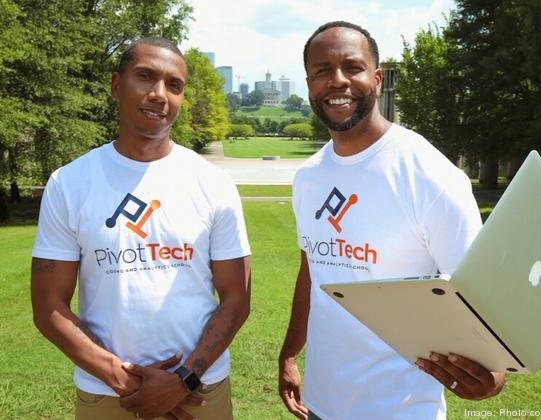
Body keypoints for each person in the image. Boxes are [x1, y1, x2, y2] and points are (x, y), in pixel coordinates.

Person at [278, 21, 505, 419]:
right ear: (310, 84)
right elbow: (311, 270)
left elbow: (480, 292)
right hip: (321, 405)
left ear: (377, 79)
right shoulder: (309, 178)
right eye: (322, 71)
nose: (337, 80)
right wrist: (290, 353)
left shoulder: (430, 176)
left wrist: (495, 375)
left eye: (352, 67)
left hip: (402, 409)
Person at [31, 37, 251, 420]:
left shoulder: (213, 183)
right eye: (146, 77)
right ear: (116, 85)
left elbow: (237, 298)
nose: (159, 95)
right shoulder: (69, 183)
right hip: (107, 395)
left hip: (199, 393)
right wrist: (127, 381)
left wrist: (182, 379)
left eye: (174, 85)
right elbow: (48, 306)